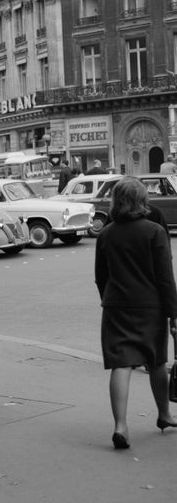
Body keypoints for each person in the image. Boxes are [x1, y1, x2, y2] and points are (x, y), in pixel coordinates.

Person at [94, 177, 177, 450]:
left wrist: (110, 298)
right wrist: (173, 313)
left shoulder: (106, 234)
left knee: (121, 364)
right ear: (143, 200)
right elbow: (165, 278)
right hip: (150, 307)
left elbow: (100, 276)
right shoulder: (154, 231)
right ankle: (164, 414)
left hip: (117, 306)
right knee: (155, 362)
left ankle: (120, 425)